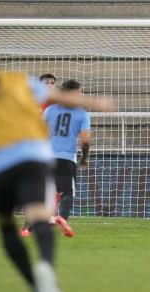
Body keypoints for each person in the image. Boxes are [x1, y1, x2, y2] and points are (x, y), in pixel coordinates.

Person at [0, 40, 111, 292]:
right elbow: (61, 97)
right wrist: (96, 102)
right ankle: (46, 265)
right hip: (33, 157)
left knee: (6, 227)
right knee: (41, 213)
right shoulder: (16, 80)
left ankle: (38, 289)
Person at [44, 79, 91, 237]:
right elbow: (85, 140)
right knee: (67, 193)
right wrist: (84, 158)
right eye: (78, 92)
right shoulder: (82, 113)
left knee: (47, 191)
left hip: (46, 158)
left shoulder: (49, 110)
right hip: (67, 158)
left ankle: (44, 220)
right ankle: (62, 218)